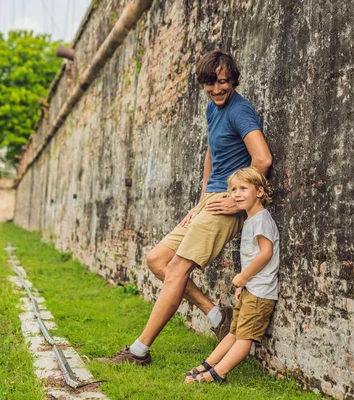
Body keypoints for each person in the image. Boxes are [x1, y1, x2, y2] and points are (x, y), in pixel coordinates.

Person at [97, 51, 272, 366]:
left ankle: (138, 352)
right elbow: (212, 151)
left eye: (223, 82)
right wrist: (200, 200)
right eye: (210, 83)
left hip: (225, 205)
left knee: (176, 268)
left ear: (233, 80)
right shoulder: (212, 108)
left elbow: (263, 160)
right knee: (157, 260)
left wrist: (235, 201)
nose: (217, 89)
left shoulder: (240, 110)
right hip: (210, 200)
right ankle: (216, 314)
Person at [185, 166, 279, 384]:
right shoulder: (251, 219)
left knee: (244, 338)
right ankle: (207, 365)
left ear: (259, 192)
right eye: (233, 189)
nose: (237, 194)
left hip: (261, 291)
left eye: (243, 188)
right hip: (251, 289)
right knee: (233, 333)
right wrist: (242, 285)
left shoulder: (262, 219)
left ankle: (217, 375)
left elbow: (266, 253)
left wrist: (244, 277)